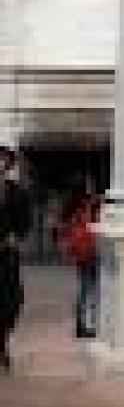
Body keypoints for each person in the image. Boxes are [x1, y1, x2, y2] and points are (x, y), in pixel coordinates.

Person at [0, 146, 30, 373]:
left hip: (7, 253)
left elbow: (25, 221)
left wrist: (17, 235)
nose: (0, 163)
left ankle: (2, 339)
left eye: (3, 159)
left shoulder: (17, 191)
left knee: (12, 300)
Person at [61, 179, 100, 339]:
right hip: (90, 251)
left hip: (81, 253)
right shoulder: (88, 207)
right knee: (91, 288)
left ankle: (81, 324)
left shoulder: (74, 208)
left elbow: (67, 231)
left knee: (84, 288)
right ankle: (88, 324)